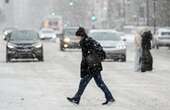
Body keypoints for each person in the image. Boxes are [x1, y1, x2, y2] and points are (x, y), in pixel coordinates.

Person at [67, 27, 115, 105]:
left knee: (83, 83)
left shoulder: (86, 42)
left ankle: (76, 99)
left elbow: (88, 55)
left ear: (81, 35)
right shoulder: (88, 40)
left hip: (91, 67)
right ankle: (110, 98)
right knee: (100, 83)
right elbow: (96, 49)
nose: (77, 38)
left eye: (78, 36)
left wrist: (90, 61)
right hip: (94, 66)